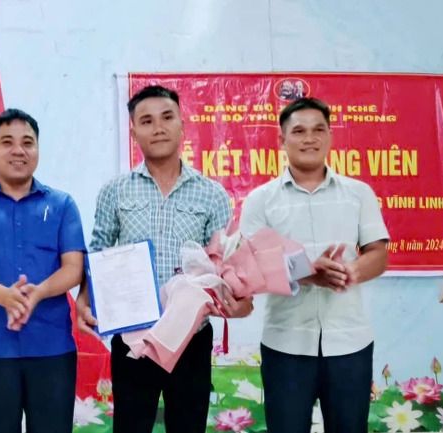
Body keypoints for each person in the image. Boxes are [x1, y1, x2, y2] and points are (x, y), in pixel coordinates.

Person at [76, 85, 253, 433]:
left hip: (191, 337)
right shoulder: (115, 191)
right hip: (133, 337)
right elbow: (98, 252)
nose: (158, 128)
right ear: (133, 132)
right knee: (130, 427)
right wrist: (85, 299)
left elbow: (224, 264)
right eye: (146, 121)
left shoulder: (212, 194)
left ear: (182, 125)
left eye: (167, 117)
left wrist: (238, 298)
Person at [239, 97, 389, 433]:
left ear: (330, 136)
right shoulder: (260, 200)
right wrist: (307, 273)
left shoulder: (358, 193)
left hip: (349, 341)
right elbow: (249, 268)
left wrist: (351, 271)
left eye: (318, 130)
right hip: (285, 344)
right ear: (282, 139)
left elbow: (378, 253)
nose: (310, 138)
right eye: (299, 131)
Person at [0, 109, 85, 433]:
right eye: (7, 142)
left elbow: (74, 268)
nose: (18, 150)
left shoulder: (62, 204)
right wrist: (5, 297)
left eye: (28, 143)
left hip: (52, 348)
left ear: (38, 149)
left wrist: (39, 293)